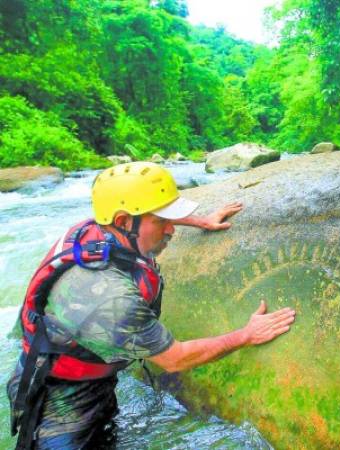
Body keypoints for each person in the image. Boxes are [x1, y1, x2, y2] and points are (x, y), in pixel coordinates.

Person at [7, 162, 296, 449]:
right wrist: (246, 335)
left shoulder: (100, 228)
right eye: (162, 221)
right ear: (122, 221)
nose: (171, 230)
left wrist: (201, 220)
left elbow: (144, 216)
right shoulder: (110, 296)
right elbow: (175, 359)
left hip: (89, 377)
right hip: (58, 402)